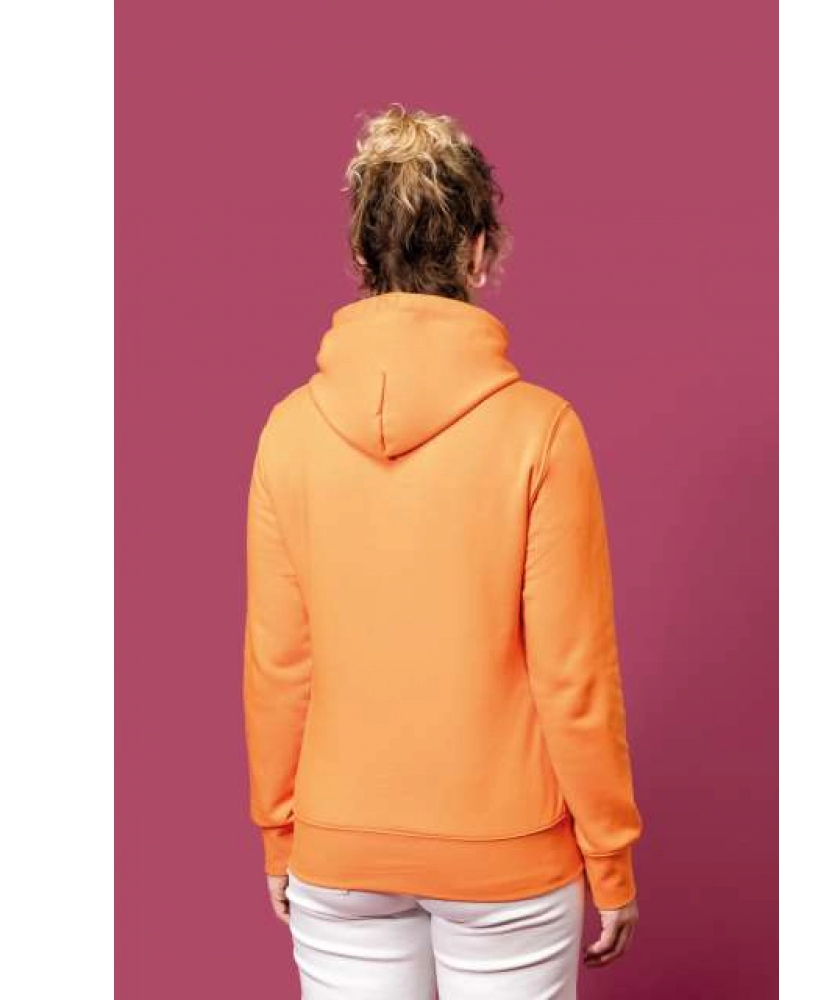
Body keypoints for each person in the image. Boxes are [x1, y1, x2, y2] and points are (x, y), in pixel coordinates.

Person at [242, 103, 644, 999]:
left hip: (340, 850)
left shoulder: (288, 434)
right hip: (507, 859)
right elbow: (573, 674)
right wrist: (609, 856)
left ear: (363, 259)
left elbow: (279, 664)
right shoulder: (542, 432)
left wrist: (280, 833)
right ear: (477, 253)